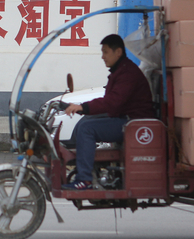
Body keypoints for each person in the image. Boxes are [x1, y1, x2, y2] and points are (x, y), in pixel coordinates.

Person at [62, 34, 155, 190]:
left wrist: (83, 107)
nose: (102, 57)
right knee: (84, 123)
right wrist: (84, 110)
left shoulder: (127, 74)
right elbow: (111, 103)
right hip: (124, 117)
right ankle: (86, 170)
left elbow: (112, 102)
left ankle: (84, 180)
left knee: (87, 129)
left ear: (118, 52)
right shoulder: (120, 70)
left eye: (105, 52)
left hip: (133, 123)